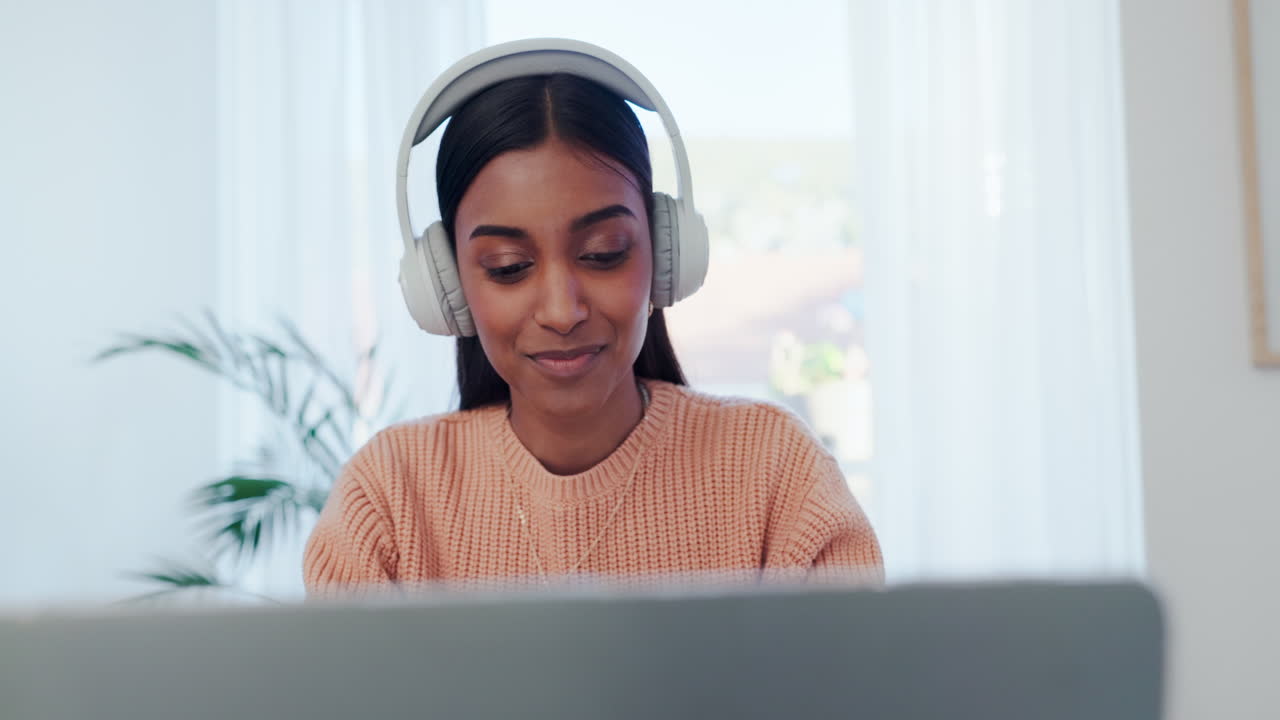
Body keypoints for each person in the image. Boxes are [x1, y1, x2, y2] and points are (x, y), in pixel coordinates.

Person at [303, 40, 882, 597]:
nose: (561, 311)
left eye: (604, 253)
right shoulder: (388, 498)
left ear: (664, 254)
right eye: (508, 267)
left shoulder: (776, 471)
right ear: (448, 285)